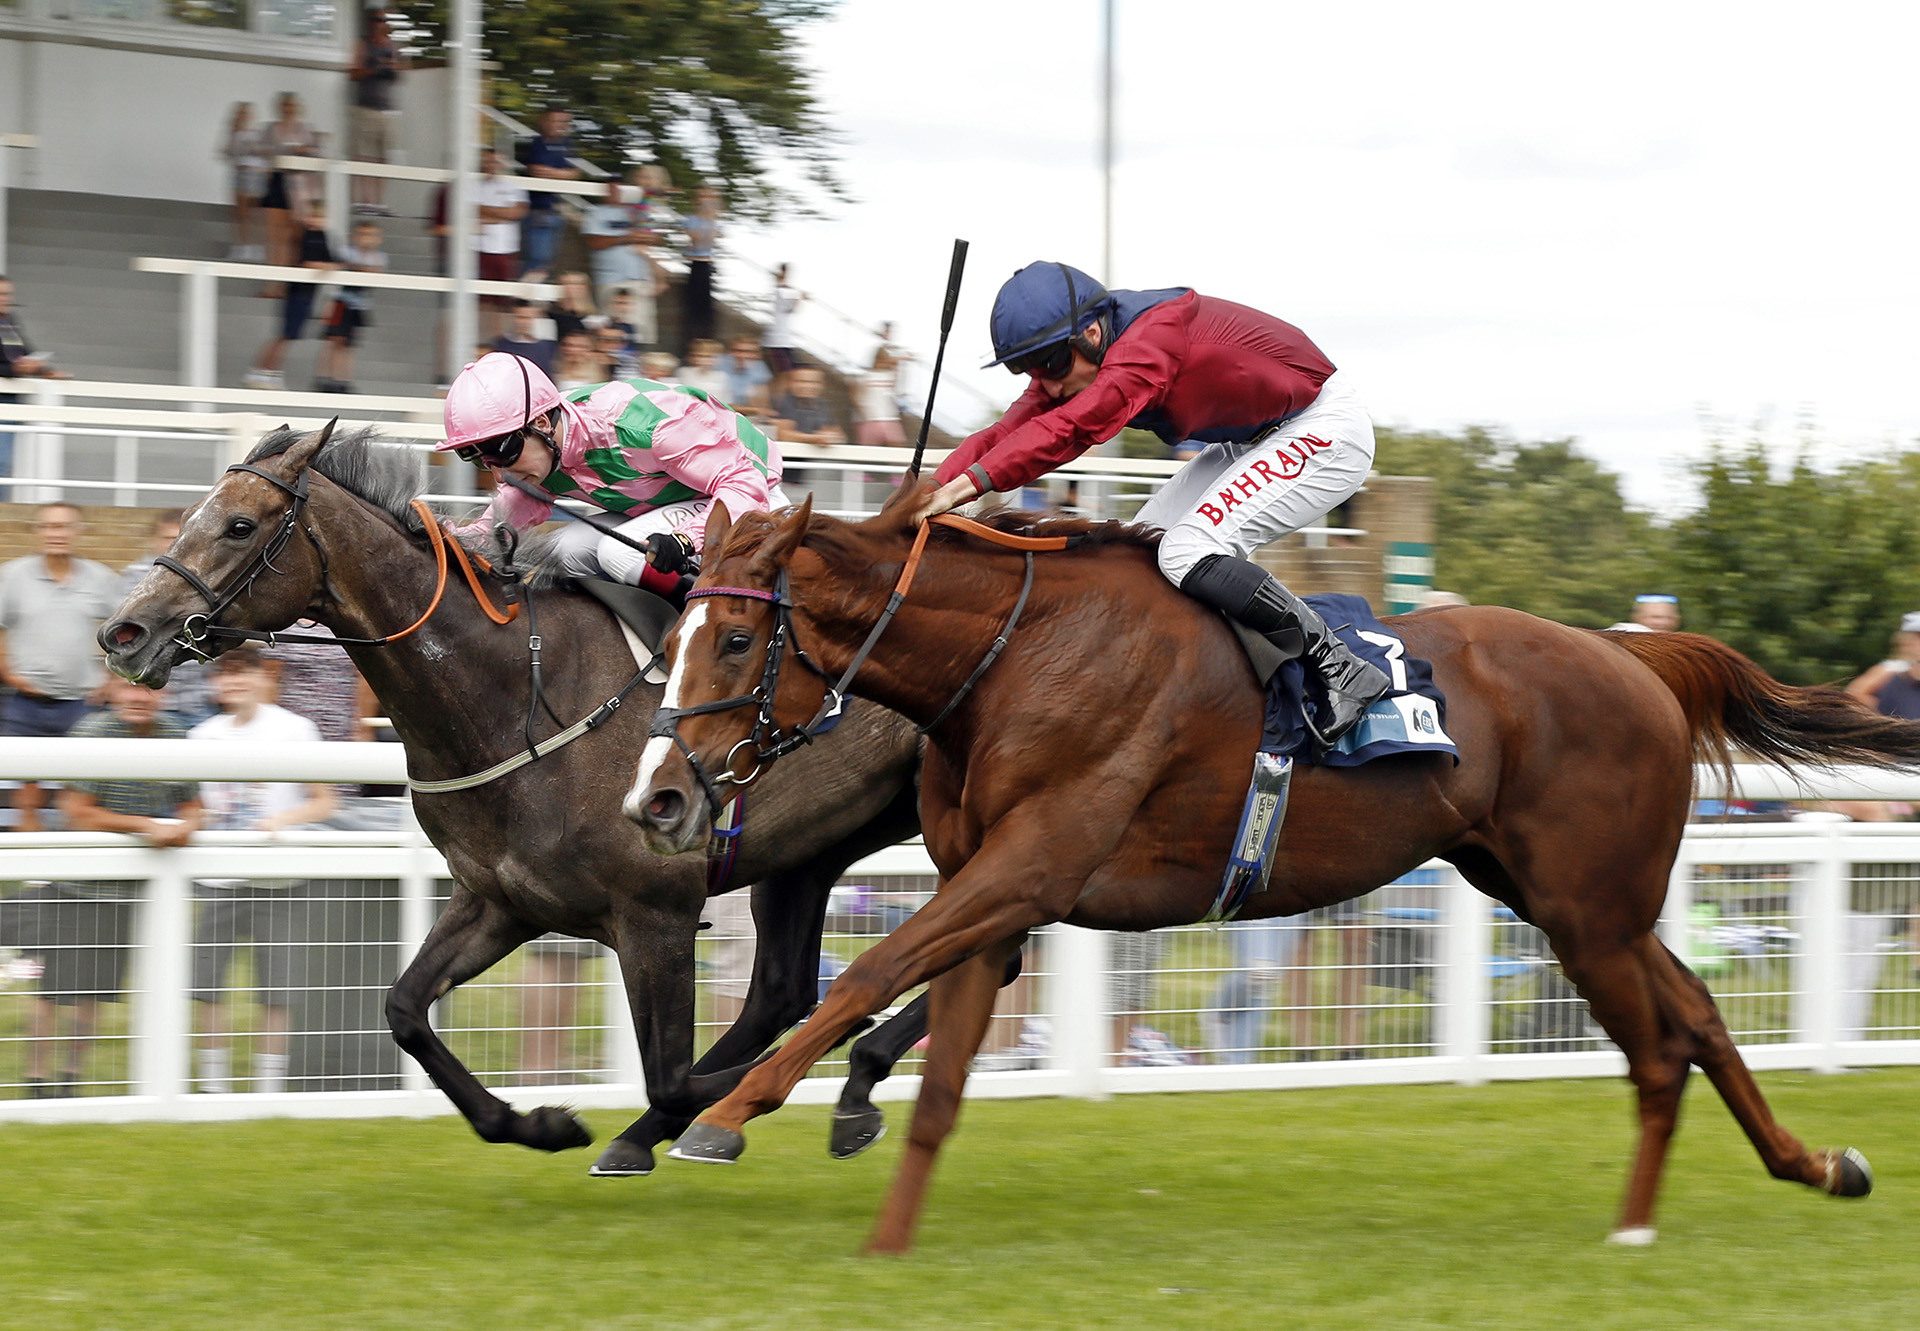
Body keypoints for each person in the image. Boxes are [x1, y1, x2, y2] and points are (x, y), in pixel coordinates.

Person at [918, 261, 1390, 744]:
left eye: (1053, 365)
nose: (1048, 385)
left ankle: (1341, 667)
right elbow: (1004, 433)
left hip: (1324, 428)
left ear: (1093, 332)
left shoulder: (1151, 341)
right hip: (1251, 439)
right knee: (1136, 556)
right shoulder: (1080, 357)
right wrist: (925, 489)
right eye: (1029, 369)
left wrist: (967, 488)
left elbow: (1073, 428)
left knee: (1185, 552)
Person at [436, 351, 787, 592]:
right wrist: (435, 539)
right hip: (671, 507)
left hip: (749, 495)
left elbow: (744, 482)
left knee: (619, 552)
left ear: (542, 422)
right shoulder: (541, 453)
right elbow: (495, 530)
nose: (499, 474)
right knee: (565, 547)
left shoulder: (646, 427)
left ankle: (703, 643)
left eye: (503, 451)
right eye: (482, 459)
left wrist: (685, 539)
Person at [0, 676, 201, 1096]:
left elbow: (193, 804)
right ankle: (36, 1082)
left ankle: (70, 1082)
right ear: (111, 691)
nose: (139, 698)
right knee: (52, 991)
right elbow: (77, 813)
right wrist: (146, 826)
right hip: (72, 886)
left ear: (163, 694)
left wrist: (189, 825)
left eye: (148, 689)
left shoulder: (176, 735)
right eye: (129, 688)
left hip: (124, 891)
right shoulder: (93, 732)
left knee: (95, 991)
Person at [189, 647, 336, 1094]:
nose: (234, 684)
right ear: (214, 685)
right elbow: (199, 805)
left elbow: (325, 799)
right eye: (225, 676)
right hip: (219, 876)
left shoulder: (296, 730)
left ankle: (268, 1089)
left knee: (279, 988)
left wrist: (280, 822)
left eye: (243, 674)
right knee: (206, 985)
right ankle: (213, 1088)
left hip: (280, 877)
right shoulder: (201, 736)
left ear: (262, 677)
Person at [0, 503, 121, 831]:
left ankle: (74, 870)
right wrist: (8, 672)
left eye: (65, 527)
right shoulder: (12, 575)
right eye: (50, 527)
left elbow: (125, 629)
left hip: (82, 703)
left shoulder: (100, 577)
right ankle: (33, 874)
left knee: (79, 791)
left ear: (78, 532)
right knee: (27, 791)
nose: (58, 534)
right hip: (27, 702)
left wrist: (111, 679)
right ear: (38, 532)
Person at [119, 509, 217, 727]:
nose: (174, 546)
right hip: (147, 703)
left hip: (195, 702)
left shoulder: (211, 579)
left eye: (181, 539)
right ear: (154, 540)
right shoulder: (134, 578)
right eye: (168, 539)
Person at [245, 197, 337, 391]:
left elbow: (332, 261)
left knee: (287, 337)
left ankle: (269, 372)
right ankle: (261, 372)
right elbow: (307, 262)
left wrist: (325, 265)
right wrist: (321, 265)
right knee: (283, 337)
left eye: (320, 216)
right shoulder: (303, 236)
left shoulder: (322, 236)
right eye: (313, 215)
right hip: (296, 293)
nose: (316, 220)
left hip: (307, 295)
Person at [1, 274, 75, 487]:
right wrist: (13, 369)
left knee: (5, 463)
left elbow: (25, 352)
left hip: (12, 399)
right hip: (4, 398)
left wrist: (44, 370)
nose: (6, 298)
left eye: (8, 294)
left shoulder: (10, 321)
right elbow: (12, 364)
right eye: (1, 294)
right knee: (2, 462)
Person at [346, 7, 406, 216]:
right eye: (376, 19)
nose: (379, 23)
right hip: (365, 108)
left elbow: (401, 74)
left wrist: (393, 66)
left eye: (382, 20)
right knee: (364, 156)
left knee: (384, 157)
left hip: (387, 111)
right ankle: (366, 202)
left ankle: (379, 203)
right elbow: (352, 73)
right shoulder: (363, 44)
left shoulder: (393, 46)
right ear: (371, 22)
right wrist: (373, 68)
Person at [258, 91, 322, 284]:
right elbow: (261, 151)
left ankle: (288, 281)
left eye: (292, 106)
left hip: (299, 185)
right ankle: (273, 282)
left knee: (294, 234)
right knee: (274, 234)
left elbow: (318, 152)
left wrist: (304, 150)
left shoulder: (306, 130)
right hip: (277, 179)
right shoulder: (271, 129)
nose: (288, 110)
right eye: (285, 106)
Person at [316, 219, 387, 392]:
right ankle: (326, 377)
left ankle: (344, 379)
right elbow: (344, 266)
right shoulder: (346, 252)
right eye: (362, 234)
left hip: (359, 305)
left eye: (371, 235)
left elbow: (375, 272)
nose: (366, 239)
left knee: (349, 344)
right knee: (334, 341)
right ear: (354, 236)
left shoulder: (379, 257)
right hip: (340, 302)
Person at [515, 106, 580, 281]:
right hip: (536, 210)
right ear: (544, 121)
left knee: (548, 262)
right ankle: (525, 301)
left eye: (565, 122)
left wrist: (554, 173)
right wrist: (561, 174)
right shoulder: (535, 143)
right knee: (537, 260)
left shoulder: (568, 145)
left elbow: (575, 173)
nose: (561, 125)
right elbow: (536, 170)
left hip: (555, 210)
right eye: (556, 120)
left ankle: (532, 303)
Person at [473, 146, 529, 341]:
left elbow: (517, 213)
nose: (491, 165)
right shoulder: (473, 185)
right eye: (487, 161)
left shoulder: (513, 185)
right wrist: (502, 213)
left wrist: (487, 213)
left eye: (495, 161)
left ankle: (500, 340)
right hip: (480, 248)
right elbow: (472, 210)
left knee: (503, 299)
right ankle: (481, 339)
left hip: (506, 249)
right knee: (482, 299)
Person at [581, 176, 657, 310]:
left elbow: (654, 239)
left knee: (642, 328)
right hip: (610, 281)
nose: (615, 192)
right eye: (611, 189)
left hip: (639, 280)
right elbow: (595, 242)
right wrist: (627, 238)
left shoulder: (637, 212)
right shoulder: (595, 213)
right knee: (612, 326)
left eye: (618, 188)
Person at [220, 101, 269, 261]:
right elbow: (227, 152)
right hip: (240, 172)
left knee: (254, 212)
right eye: (240, 113)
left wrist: (255, 150)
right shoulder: (234, 133)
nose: (243, 117)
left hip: (255, 173)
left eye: (245, 113)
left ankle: (256, 246)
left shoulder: (258, 133)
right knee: (240, 213)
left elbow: (266, 152)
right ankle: (241, 245)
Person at [680, 182, 723, 351]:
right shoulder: (691, 219)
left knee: (708, 313)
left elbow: (711, 240)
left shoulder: (714, 221)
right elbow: (699, 242)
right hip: (696, 265)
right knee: (693, 311)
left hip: (708, 265)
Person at [772, 365, 847, 446]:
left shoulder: (822, 405)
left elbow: (839, 435)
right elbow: (783, 435)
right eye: (802, 381)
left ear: (822, 385)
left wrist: (829, 436)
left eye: (814, 382)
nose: (808, 386)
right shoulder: (785, 402)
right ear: (791, 384)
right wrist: (815, 438)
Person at [855, 343, 908, 446]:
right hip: (872, 419)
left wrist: (899, 362)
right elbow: (858, 397)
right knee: (870, 453)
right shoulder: (866, 377)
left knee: (897, 448)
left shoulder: (888, 375)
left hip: (889, 418)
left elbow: (898, 386)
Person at [491, 299, 557, 378]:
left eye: (528, 318)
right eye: (520, 317)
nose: (524, 322)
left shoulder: (545, 347)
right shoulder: (502, 345)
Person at [763, 263, 803, 386]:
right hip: (776, 342)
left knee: (790, 373)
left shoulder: (783, 291)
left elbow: (793, 308)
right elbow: (792, 306)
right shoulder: (779, 292)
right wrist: (800, 297)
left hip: (784, 341)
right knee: (785, 374)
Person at [722, 334, 773, 416]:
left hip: (745, 416)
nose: (743, 356)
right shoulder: (719, 364)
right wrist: (752, 409)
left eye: (749, 352)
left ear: (757, 355)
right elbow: (718, 402)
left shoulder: (759, 368)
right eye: (738, 351)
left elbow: (762, 405)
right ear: (730, 352)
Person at [1608, 593, 1681, 633]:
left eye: (1669, 618)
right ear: (1635, 617)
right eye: (1655, 617)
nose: (1661, 623)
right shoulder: (1620, 637)